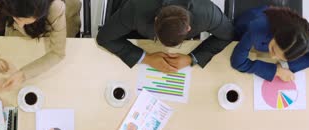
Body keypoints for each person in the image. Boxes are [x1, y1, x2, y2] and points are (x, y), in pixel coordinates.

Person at [96, 0, 234, 73]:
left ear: (188, 29)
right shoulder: (135, 8)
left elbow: (229, 35)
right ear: (156, 20)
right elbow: (104, 37)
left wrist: (191, 59)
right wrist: (146, 58)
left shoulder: (207, 13)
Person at [0, 0, 81, 89]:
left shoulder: (56, 7)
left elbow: (58, 52)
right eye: (18, 17)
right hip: (17, 26)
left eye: (25, 20)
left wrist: (24, 74)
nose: (21, 24)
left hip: (56, 24)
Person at [231, 6, 309, 82]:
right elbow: (237, 62)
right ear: (275, 35)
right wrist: (276, 70)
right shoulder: (257, 28)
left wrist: (286, 66)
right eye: (273, 49)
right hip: (243, 30)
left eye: (281, 57)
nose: (272, 57)